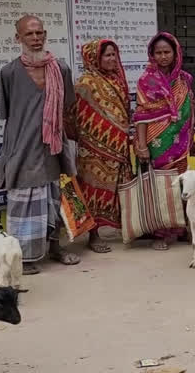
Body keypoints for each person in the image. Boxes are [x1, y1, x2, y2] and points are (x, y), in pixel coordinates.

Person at [0, 15, 81, 275]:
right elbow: (7, 112)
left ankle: (55, 247)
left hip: (52, 148)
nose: (35, 39)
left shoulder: (61, 69)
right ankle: (26, 257)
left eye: (39, 33)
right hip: (21, 148)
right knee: (23, 204)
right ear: (18, 38)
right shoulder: (9, 73)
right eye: (29, 34)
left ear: (45, 36)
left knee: (54, 200)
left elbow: (68, 108)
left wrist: (69, 143)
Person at [134, 32, 195, 251]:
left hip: (181, 141)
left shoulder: (185, 79)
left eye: (167, 52)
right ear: (152, 55)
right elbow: (141, 115)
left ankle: (179, 228)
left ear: (175, 53)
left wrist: (192, 139)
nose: (163, 57)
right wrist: (142, 145)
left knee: (181, 185)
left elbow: (190, 109)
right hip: (157, 141)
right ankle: (160, 232)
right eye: (158, 53)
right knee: (160, 186)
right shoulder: (146, 80)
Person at [73, 39, 133, 254]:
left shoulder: (117, 81)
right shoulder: (84, 84)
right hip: (93, 152)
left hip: (119, 148)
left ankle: (126, 227)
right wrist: (95, 138)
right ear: (94, 58)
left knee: (121, 190)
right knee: (93, 190)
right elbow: (73, 118)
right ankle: (93, 235)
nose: (111, 59)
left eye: (113, 55)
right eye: (106, 55)